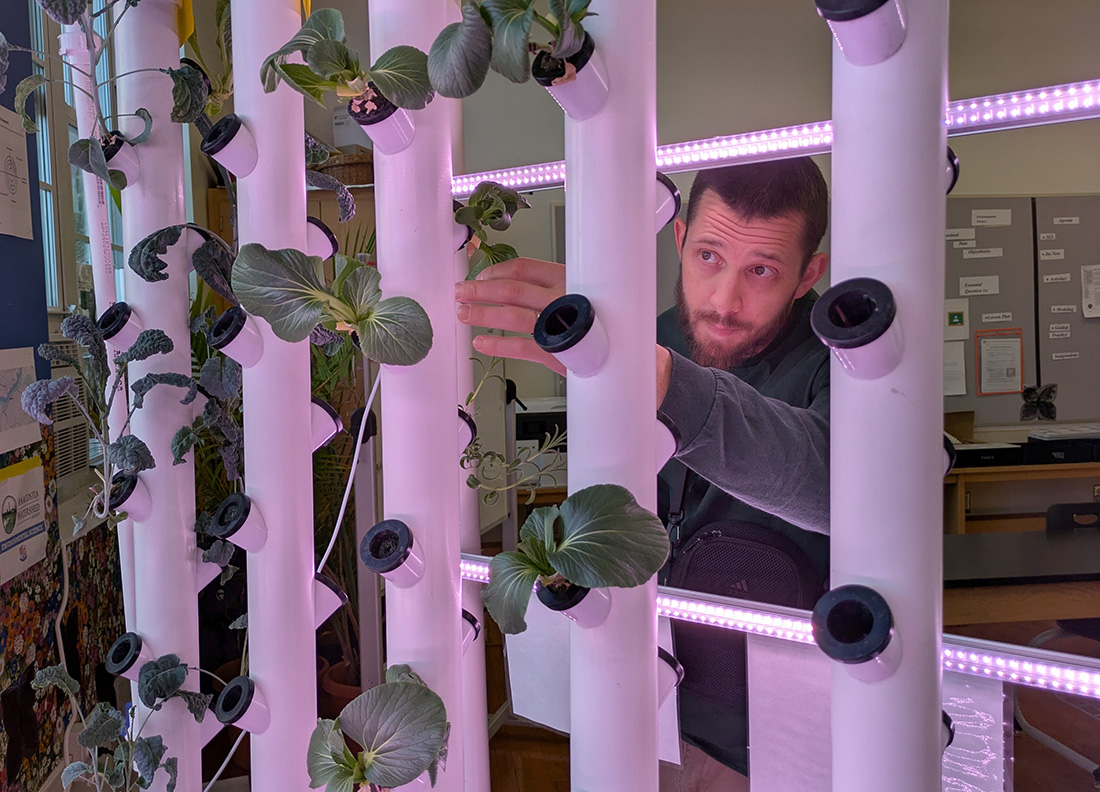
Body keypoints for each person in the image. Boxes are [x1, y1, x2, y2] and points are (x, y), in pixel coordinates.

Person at [455, 157, 832, 791]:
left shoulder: (845, 361)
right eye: (709, 256)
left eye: (761, 270)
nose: (724, 301)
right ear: (680, 238)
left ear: (808, 275)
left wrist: (662, 382)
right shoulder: (641, 341)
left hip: (774, 744)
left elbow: (834, 486)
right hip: (640, 713)